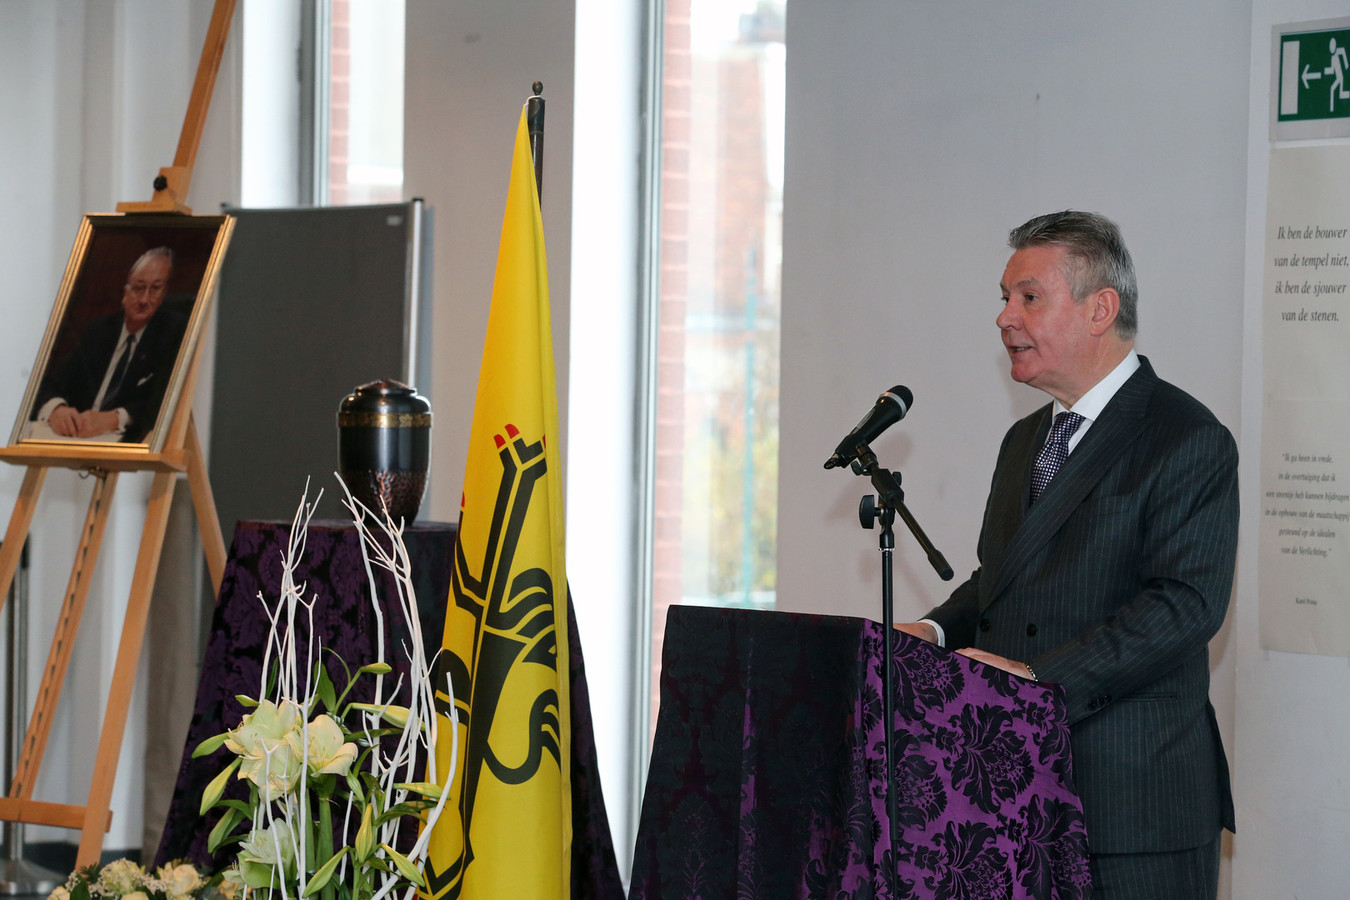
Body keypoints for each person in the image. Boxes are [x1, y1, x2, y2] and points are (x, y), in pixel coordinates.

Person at [898, 211, 1237, 898]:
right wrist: (930, 632)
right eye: (1004, 298)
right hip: (1012, 792)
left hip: (1130, 806)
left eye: (1029, 297)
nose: (1004, 318)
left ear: (1099, 309)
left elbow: (1183, 607)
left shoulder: (1185, 436)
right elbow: (1002, 579)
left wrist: (1037, 679)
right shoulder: (1024, 439)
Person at [30, 246, 186, 443]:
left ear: (164, 293)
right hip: (75, 437)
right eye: (139, 287)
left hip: (124, 440)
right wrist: (56, 409)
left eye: (155, 289)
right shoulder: (99, 331)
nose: (144, 299)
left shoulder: (172, 333)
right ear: (125, 292)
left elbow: (163, 401)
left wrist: (114, 418)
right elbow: (50, 382)